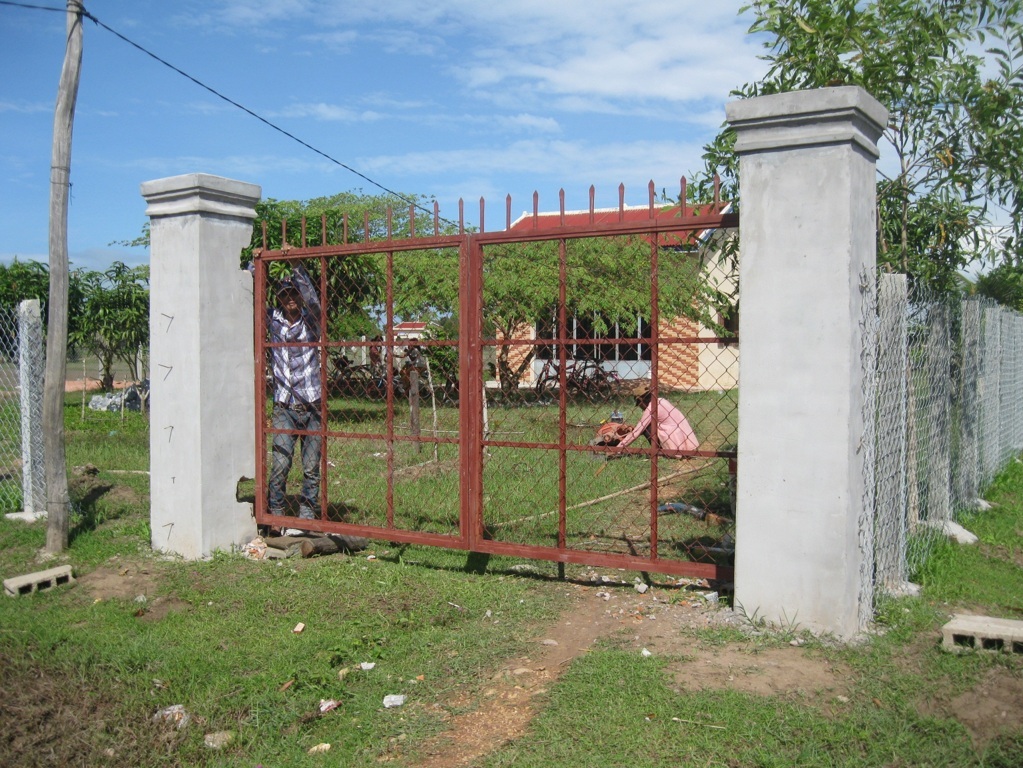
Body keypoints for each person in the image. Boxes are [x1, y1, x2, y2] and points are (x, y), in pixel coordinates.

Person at [266, 264, 323, 533]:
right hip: (284, 406)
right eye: (284, 294)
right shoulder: (272, 320)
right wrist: (255, 266)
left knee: (311, 468)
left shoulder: (311, 321)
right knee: (280, 464)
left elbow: (314, 300)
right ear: (278, 297)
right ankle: (276, 516)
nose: (290, 298)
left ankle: (306, 518)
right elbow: (252, 296)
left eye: (293, 293)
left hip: (312, 405)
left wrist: (297, 266)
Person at [616, 384, 700, 454]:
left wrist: (617, 449)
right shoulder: (661, 400)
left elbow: (637, 432)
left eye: (639, 404)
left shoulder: (651, 409)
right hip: (686, 440)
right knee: (649, 425)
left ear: (641, 400)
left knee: (647, 428)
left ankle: (658, 451)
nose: (640, 408)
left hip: (674, 443)